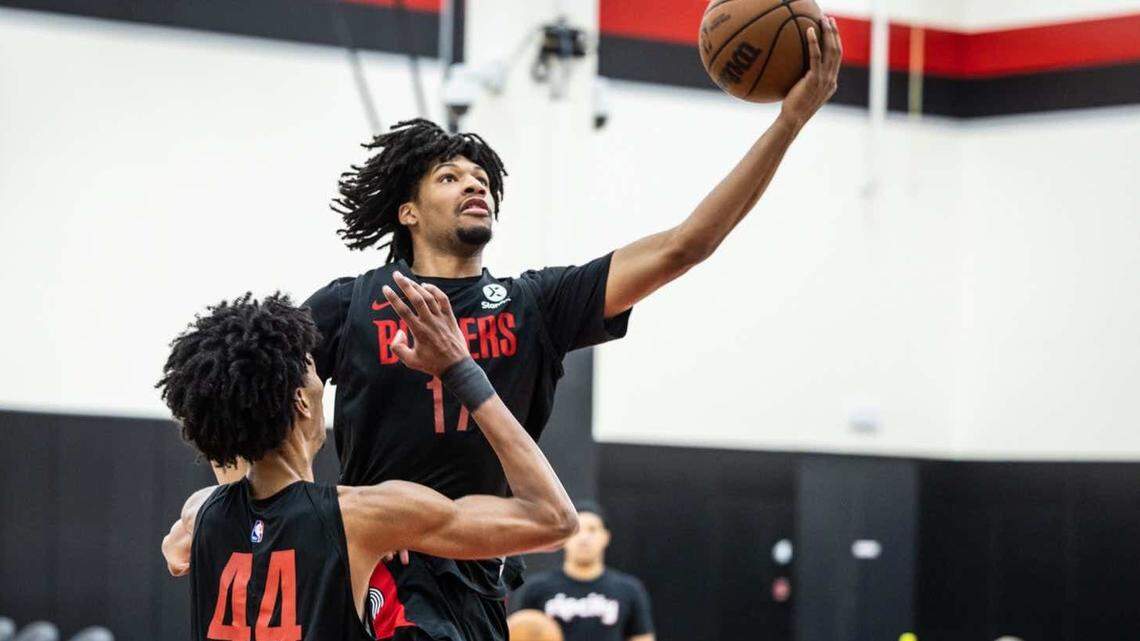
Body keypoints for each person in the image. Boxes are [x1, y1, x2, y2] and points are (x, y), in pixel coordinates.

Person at [265, 16, 842, 641]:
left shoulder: (535, 303)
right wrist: (241, 506)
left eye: (481, 179)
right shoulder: (351, 304)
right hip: (379, 570)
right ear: (407, 211)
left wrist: (788, 123)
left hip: (480, 567)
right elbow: (253, 395)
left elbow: (685, 245)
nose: (474, 184)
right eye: (450, 178)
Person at [158, 278, 578, 641]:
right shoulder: (362, 515)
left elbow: (175, 551)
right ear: (302, 402)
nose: (325, 380)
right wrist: (459, 368)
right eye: (314, 369)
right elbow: (554, 520)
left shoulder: (201, 513)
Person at [512, 502, 654, 641]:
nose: (584, 538)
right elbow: (517, 631)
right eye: (577, 531)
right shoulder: (536, 589)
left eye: (592, 529)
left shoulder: (628, 589)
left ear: (606, 537)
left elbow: (642, 637)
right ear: (564, 538)